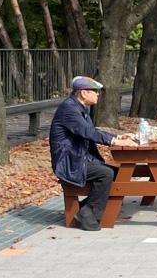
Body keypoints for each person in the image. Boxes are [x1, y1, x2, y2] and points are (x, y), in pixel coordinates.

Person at [49, 76, 135, 231]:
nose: (98, 94)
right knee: (106, 174)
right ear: (83, 93)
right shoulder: (69, 109)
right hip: (69, 162)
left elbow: (92, 131)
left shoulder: (81, 108)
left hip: (79, 159)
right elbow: (87, 132)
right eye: (95, 91)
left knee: (117, 173)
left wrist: (117, 137)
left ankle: (85, 208)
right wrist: (115, 141)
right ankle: (87, 214)